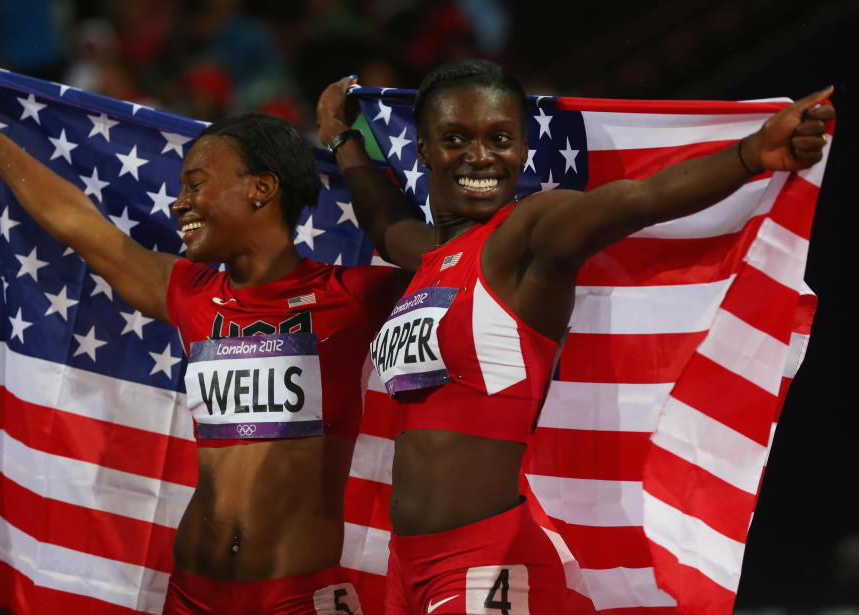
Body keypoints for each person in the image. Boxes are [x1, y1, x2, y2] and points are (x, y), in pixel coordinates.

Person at [316, 59, 834, 614]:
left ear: (523, 150)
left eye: (500, 138)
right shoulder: (430, 260)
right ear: (422, 150)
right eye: (454, 138)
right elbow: (385, 222)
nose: (480, 155)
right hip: (408, 567)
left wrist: (750, 155)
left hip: (489, 564)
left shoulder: (528, 233)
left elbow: (636, 200)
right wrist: (344, 138)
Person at [0, 63, 408, 615]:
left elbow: (438, 257)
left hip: (296, 600)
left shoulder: (351, 297)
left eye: (196, 184)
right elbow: (77, 222)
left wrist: (342, 138)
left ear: (261, 189)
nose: (178, 203)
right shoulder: (191, 292)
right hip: (192, 593)